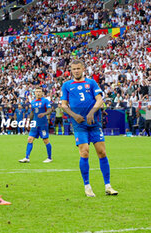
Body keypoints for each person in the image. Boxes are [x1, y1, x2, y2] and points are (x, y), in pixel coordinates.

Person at [61, 60, 118, 197]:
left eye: (78, 68)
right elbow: (63, 105)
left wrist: (91, 112)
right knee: (84, 152)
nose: (76, 71)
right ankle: (87, 186)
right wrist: (75, 116)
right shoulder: (67, 85)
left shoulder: (91, 83)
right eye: (74, 69)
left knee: (102, 152)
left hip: (94, 122)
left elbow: (100, 100)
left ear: (83, 69)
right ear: (71, 70)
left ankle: (108, 186)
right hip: (79, 124)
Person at [18, 87, 53, 163]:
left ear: (42, 93)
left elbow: (50, 110)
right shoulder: (33, 102)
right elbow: (32, 113)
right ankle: (27, 158)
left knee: (46, 140)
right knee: (30, 139)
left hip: (43, 124)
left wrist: (44, 114)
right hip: (35, 124)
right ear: (35, 93)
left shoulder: (45, 101)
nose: (38, 93)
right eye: (37, 91)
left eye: (39, 91)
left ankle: (49, 158)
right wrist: (29, 122)